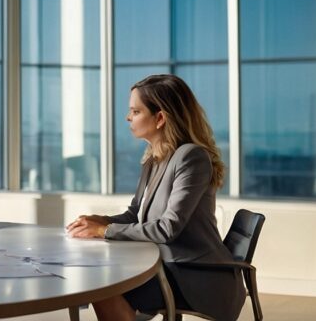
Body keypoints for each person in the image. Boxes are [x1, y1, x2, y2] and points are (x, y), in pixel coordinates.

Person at [66, 74, 245, 321]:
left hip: (194, 275)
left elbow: (168, 228)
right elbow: (134, 213)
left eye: (135, 111)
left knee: (102, 285)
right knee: (100, 278)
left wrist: (105, 231)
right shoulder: (155, 157)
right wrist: (98, 220)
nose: (128, 118)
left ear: (160, 118)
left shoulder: (191, 157)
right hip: (166, 265)